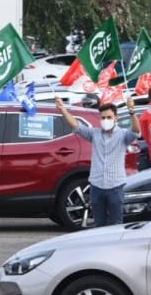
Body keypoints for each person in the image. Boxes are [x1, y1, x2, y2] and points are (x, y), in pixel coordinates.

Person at [54, 97, 138, 227]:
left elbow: (136, 131)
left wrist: (131, 111)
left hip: (115, 187)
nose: (106, 120)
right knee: (99, 224)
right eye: (103, 118)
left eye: (109, 117)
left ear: (116, 118)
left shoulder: (123, 134)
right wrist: (62, 109)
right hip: (97, 187)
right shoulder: (95, 134)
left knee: (116, 224)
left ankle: (115, 247)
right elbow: (76, 125)